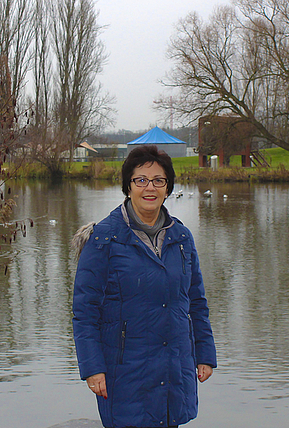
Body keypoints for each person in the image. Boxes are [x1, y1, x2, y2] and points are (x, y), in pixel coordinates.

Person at [71, 144, 217, 428]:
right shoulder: (103, 240)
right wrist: (92, 368)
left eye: (158, 180)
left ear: (167, 187)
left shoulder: (182, 238)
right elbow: (85, 312)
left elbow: (196, 302)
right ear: (128, 186)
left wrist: (205, 354)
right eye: (141, 180)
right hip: (125, 372)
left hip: (174, 367)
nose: (150, 187)